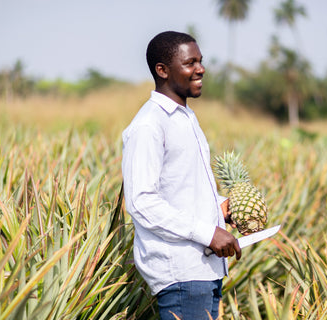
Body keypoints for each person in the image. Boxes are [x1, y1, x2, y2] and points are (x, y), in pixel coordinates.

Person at [121, 31, 242, 320]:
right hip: (181, 274)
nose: (200, 69)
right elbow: (141, 202)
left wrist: (220, 206)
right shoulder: (149, 125)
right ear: (162, 70)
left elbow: (182, 188)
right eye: (190, 63)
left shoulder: (185, 118)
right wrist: (208, 232)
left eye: (200, 61)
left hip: (203, 272)